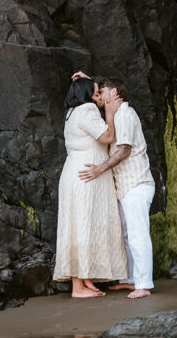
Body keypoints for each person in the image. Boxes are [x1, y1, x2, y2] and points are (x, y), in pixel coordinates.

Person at [74, 72, 156, 299]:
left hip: (137, 183)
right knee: (128, 235)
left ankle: (144, 284)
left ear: (114, 93)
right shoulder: (116, 113)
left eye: (101, 93)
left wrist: (99, 169)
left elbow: (124, 150)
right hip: (126, 186)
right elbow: (100, 94)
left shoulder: (125, 115)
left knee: (139, 235)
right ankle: (131, 280)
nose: (97, 97)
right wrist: (86, 79)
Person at [52, 76, 128, 298]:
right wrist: (111, 113)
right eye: (95, 94)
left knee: (79, 225)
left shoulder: (72, 111)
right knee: (82, 226)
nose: (98, 99)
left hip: (76, 173)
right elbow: (107, 136)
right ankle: (77, 288)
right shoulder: (86, 110)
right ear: (86, 96)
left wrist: (85, 78)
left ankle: (84, 280)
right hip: (85, 176)